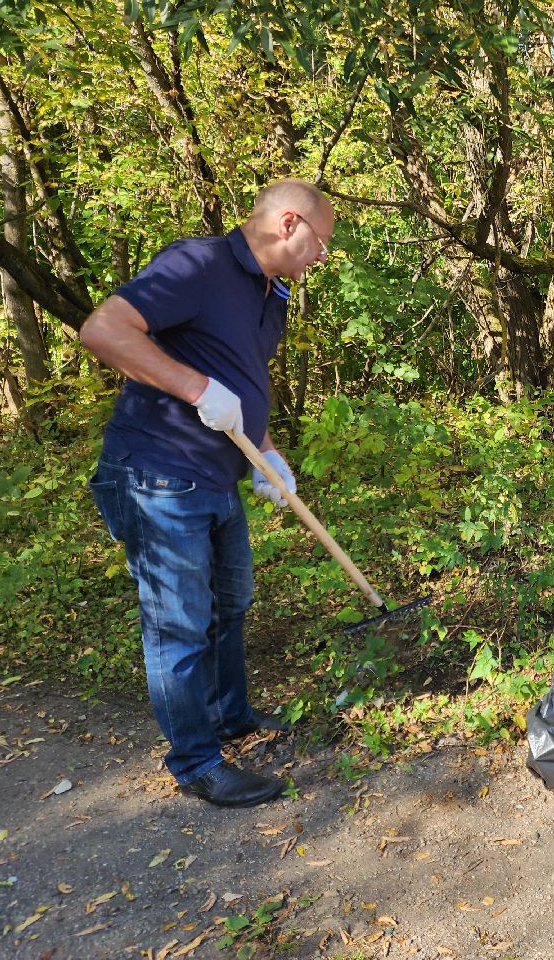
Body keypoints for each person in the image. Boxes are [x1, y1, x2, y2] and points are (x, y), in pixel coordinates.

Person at [81, 180, 334, 809]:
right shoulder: (197, 263)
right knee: (179, 624)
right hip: (159, 474)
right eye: (321, 242)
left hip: (217, 476)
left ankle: (231, 718)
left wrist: (267, 450)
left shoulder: (270, 296)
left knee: (231, 602)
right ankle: (195, 763)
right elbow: (103, 329)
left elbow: (245, 382)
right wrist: (196, 389)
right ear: (288, 222)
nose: (322, 257)